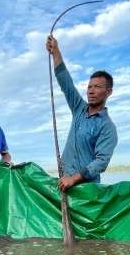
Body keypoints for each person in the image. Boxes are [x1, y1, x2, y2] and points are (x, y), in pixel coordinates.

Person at [45, 35, 118, 191]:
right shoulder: (79, 108)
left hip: (87, 189)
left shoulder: (107, 127)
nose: (91, 91)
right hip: (63, 182)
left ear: (108, 91)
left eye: (97, 87)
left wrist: (74, 178)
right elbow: (66, 82)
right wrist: (56, 51)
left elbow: (101, 162)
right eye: (89, 87)